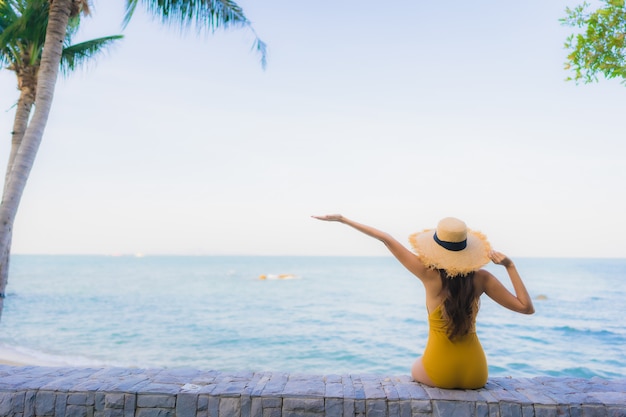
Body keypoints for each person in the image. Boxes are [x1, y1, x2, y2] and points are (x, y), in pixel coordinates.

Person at [312, 214, 534, 390]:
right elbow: (526, 308)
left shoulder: (428, 275)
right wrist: (509, 266)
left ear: (437, 247)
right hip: (477, 374)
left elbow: (386, 239)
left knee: (416, 365)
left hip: (439, 372)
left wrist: (343, 220)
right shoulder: (483, 279)